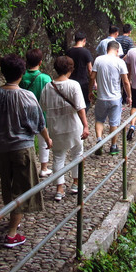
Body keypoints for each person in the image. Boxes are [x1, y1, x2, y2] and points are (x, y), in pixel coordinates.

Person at [0, 54, 51, 248]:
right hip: (22, 149)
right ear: (21, 73)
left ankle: (11, 218)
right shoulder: (27, 96)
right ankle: (12, 233)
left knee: (7, 185)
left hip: (1, 148)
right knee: (22, 189)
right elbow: (39, 123)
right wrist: (47, 139)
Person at [40, 56, 89, 200]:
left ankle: (59, 189)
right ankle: (76, 183)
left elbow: (43, 107)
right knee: (77, 154)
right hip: (74, 126)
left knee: (58, 157)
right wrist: (86, 126)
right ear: (70, 69)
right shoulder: (74, 85)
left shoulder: (48, 87)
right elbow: (80, 108)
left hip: (55, 127)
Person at [90, 40, 131, 155]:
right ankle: (113, 146)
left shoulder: (98, 60)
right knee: (114, 122)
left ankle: (99, 140)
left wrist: (90, 91)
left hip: (101, 97)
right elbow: (126, 81)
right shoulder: (120, 62)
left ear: (107, 49)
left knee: (99, 120)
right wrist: (129, 96)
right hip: (115, 98)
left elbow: (92, 77)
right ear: (117, 50)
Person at [19, 49, 53, 178]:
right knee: (44, 140)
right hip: (41, 113)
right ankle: (44, 168)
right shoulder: (45, 78)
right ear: (40, 62)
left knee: (28, 141)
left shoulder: (22, 76)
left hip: (25, 113)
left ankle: (29, 166)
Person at [66, 31, 94, 110]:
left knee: (72, 102)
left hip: (70, 80)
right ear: (84, 40)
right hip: (83, 82)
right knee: (85, 102)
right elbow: (90, 69)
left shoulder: (69, 51)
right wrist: (94, 82)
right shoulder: (85, 52)